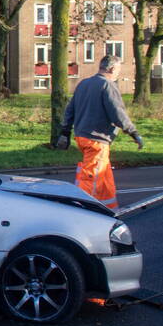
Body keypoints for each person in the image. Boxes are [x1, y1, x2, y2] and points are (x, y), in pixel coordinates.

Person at [56, 55, 144, 210]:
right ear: (111, 69)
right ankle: (80, 209)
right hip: (97, 139)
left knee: (103, 176)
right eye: (118, 70)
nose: (118, 74)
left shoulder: (84, 84)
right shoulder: (107, 86)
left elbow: (70, 110)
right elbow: (118, 113)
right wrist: (133, 133)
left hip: (82, 136)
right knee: (92, 177)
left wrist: (65, 132)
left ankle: (108, 209)